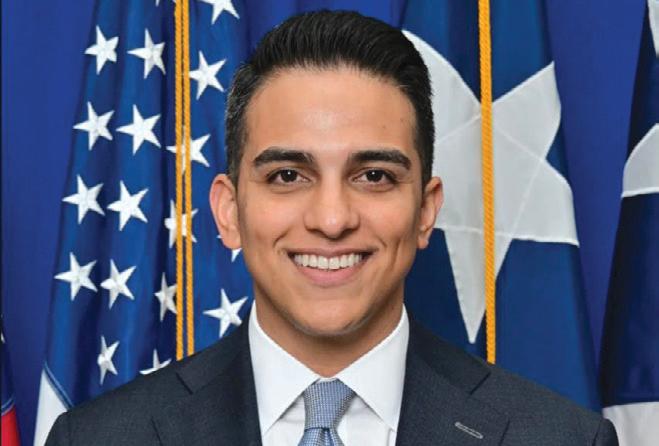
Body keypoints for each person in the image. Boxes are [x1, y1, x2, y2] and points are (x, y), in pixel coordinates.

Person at [46, 10, 618, 446]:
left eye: (373, 176)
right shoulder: (98, 439)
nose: (331, 219)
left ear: (425, 211)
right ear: (228, 212)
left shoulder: (561, 440)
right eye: (288, 175)